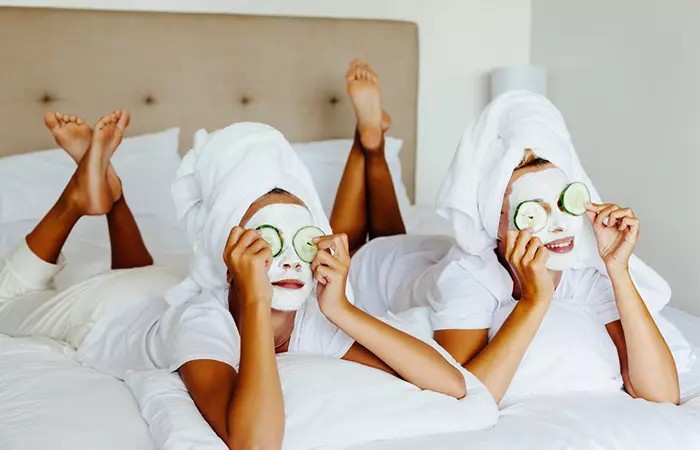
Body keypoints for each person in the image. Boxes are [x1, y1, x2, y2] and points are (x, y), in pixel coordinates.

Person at [0, 108, 465, 450]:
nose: (285, 260)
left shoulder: (312, 317)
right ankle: (78, 199)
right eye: (266, 242)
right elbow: (255, 444)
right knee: (8, 299)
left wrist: (340, 308)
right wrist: (257, 305)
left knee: (146, 275)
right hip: (106, 311)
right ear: (231, 259)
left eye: (299, 240)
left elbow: (453, 383)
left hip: (163, 288)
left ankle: (113, 197)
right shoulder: (205, 324)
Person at [343, 90, 683, 406]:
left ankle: (373, 146)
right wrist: (535, 301)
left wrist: (618, 269)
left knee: (393, 233)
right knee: (358, 242)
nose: (560, 225)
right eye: (535, 211)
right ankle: (369, 146)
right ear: (497, 225)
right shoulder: (467, 278)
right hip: (380, 269)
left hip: (423, 258)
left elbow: (662, 394)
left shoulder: (585, 269)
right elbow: (467, 396)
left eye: (565, 203)